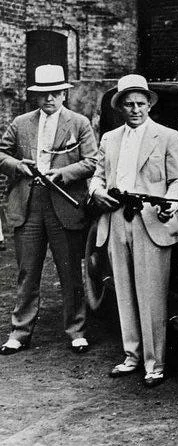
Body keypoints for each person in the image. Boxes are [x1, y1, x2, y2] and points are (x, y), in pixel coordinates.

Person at [89, 74, 178, 387]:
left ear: (149, 105)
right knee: (124, 291)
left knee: (152, 294)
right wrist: (96, 191)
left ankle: (154, 364)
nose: (135, 109)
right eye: (129, 104)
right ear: (120, 107)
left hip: (151, 220)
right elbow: (97, 176)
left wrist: (171, 204)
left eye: (141, 104)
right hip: (116, 217)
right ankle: (131, 356)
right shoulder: (109, 138)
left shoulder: (167, 136)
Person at [0, 64, 97, 355]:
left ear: (64, 94)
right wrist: (17, 166)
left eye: (55, 93)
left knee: (69, 271)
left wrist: (63, 173)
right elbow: (1, 153)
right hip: (28, 203)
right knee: (27, 271)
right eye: (43, 94)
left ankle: (76, 330)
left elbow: (93, 160)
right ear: (36, 97)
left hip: (64, 202)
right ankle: (20, 332)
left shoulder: (79, 123)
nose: (50, 99)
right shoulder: (21, 122)